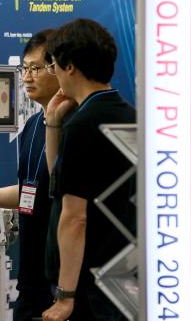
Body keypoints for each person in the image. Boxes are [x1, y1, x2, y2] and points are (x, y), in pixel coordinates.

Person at [0, 29, 60, 320]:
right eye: (24, 68)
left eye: (36, 69)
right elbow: (29, 190)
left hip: (59, 280)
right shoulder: (31, 126)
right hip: (30, 279)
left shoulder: (71, 128)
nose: (27, 77)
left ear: (59, 69)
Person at [41, 19, 136, 321]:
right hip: (127, 278)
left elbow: (74, 217)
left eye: (54, 64)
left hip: (93, 287)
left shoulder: (84, 126)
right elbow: (59, 179)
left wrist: (65, 296)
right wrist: (54, 121)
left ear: (71, 67)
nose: (52, 72)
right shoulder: (130, 116)